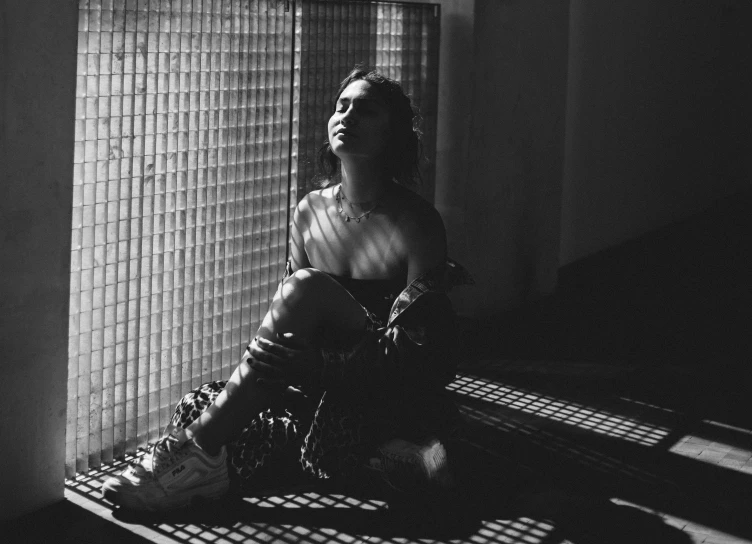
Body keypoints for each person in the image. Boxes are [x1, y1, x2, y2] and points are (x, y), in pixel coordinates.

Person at [101, 67, 471, 511]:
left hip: (378, 387)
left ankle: (198, 455)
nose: (346, 115)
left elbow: (419, 360)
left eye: (365, 109)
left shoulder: (417, 223)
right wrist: (287, 373)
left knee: (307, 288)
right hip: (310, 387)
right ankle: (212, 454)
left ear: (393, 134)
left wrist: (321, 367)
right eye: (341, 105)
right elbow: (290, 324)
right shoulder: (310, 212)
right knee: (199, 402)